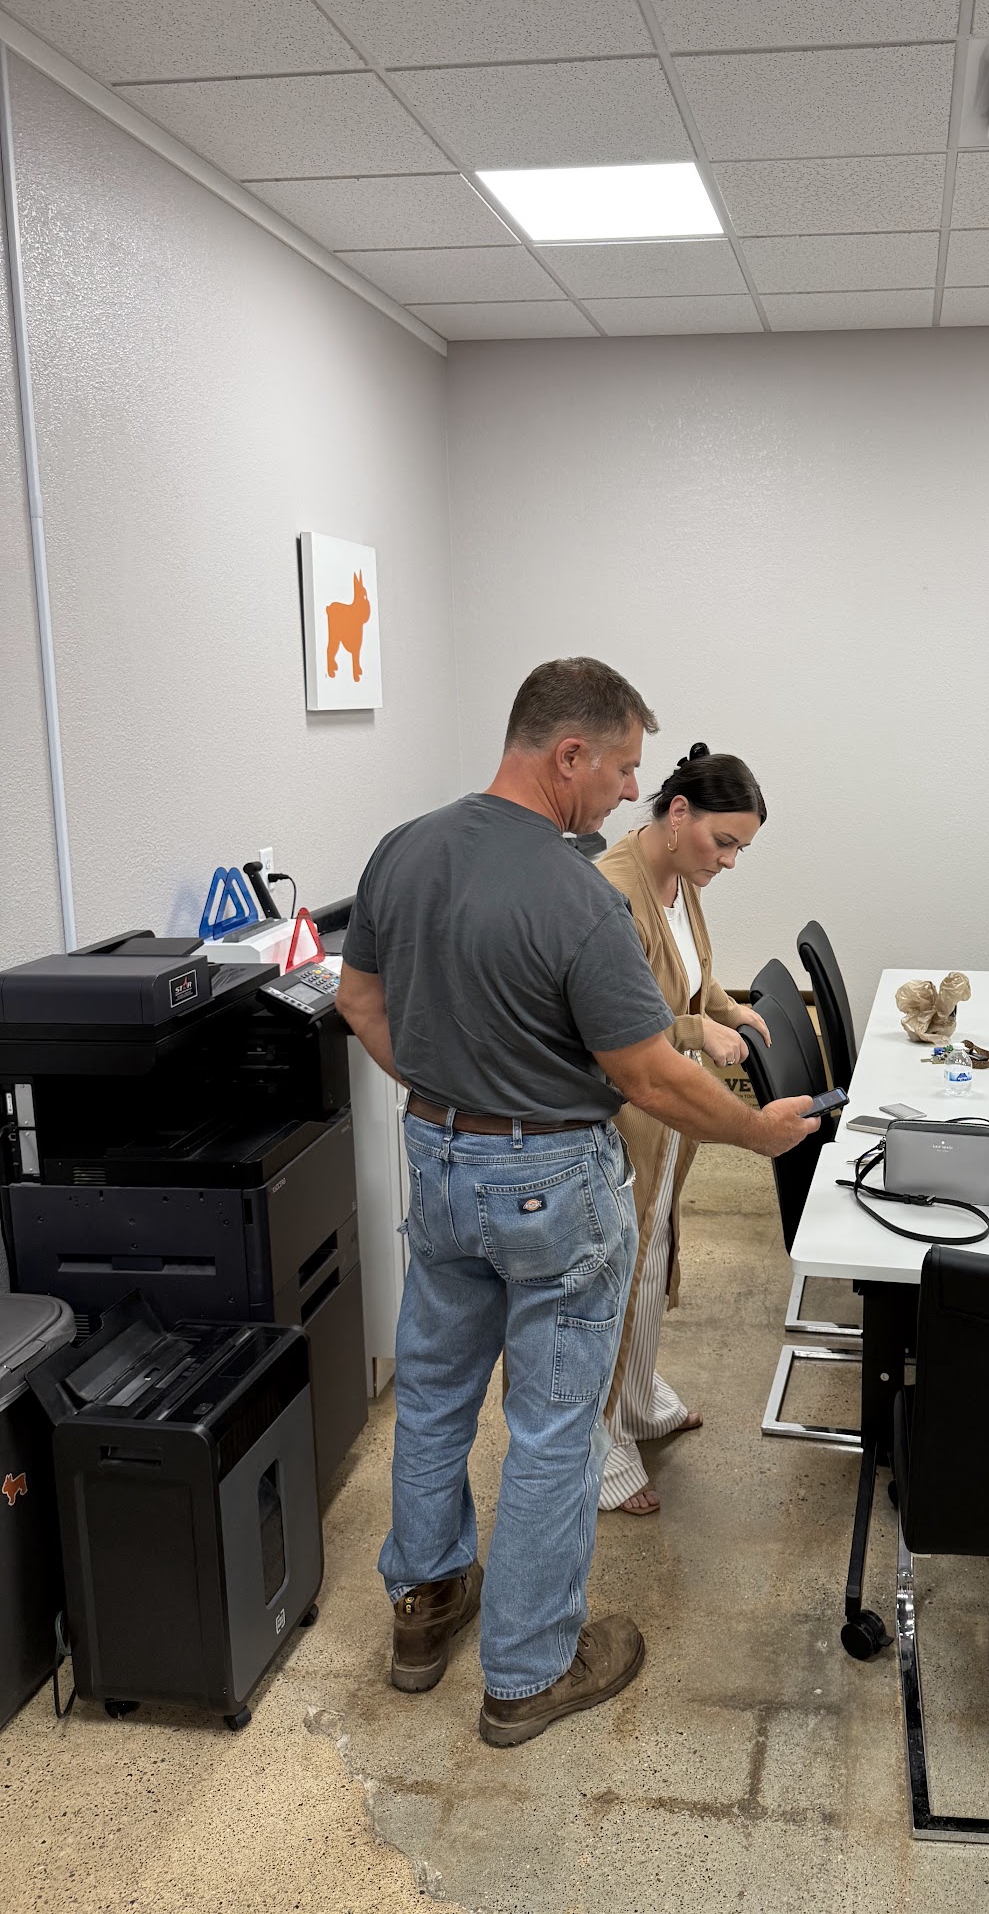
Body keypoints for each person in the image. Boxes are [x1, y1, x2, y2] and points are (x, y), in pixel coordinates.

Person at [334, 658, 815, 1750]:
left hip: (438, 1160)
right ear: (569, 754)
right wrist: (753, 1130)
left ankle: (424, 1608)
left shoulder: (402, 849)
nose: (631, 789)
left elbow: (358, 999)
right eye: (624, 768)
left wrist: (450, 1093)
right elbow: (649, 1074)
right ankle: (528, 1669)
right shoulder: (580, 893)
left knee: (436, 1395)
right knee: (554, 1424)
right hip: (549, 1180)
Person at [594, 743, 770, 1516]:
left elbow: (694, 979)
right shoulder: (612, 892)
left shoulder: (677, 880)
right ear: (677, 813)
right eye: (722, 842)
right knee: (615, 1268)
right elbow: (612, 1025)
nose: (727, 862)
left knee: (652, 1248)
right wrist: (700, 1032)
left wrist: (730, 1010)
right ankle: (599, 1442)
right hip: (623, 1110)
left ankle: (635, 1399)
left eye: (739, 849)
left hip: (665, 1116)